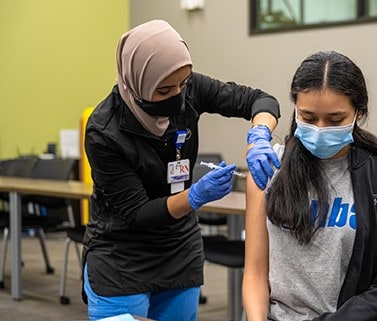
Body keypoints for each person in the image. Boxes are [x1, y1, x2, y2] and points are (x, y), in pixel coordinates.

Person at [82, 20, 280, 321]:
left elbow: (260, 100)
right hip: (121, 257)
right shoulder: (104, 131)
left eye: (183, 84)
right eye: (163, 90)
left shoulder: (192, 88)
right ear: (136, 84)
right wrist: (196, 195)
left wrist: (260, 134)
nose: (178, 96)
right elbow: (138, 214)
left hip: (178, 252)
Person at [242, 50, 377, 321]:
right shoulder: (268, 170)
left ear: (359, 113)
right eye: (308, 118)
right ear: (295, 109)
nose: (320, 129)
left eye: (335, 120)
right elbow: (255, 274)